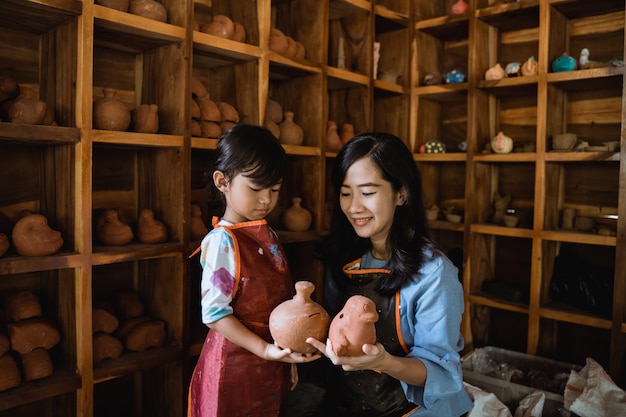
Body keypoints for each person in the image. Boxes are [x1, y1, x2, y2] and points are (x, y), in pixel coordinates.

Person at [305, 132, 473, 417]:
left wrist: (384, 361)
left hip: (414, 409)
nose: (354, 207)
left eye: (368, 192)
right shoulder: (346, 258)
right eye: (346, 193)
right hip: (355, 401)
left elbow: (442, 373)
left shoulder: (434, 273)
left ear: (401, 193)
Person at [187, 124, 320, 417]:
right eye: (255, 188)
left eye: (274, 190)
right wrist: (263, 350)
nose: (266, 200)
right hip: (232, 365)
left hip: (270, 358)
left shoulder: (267, 234)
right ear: (222, 181)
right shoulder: (223, 241)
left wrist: (289, 358)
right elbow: (214, 314)